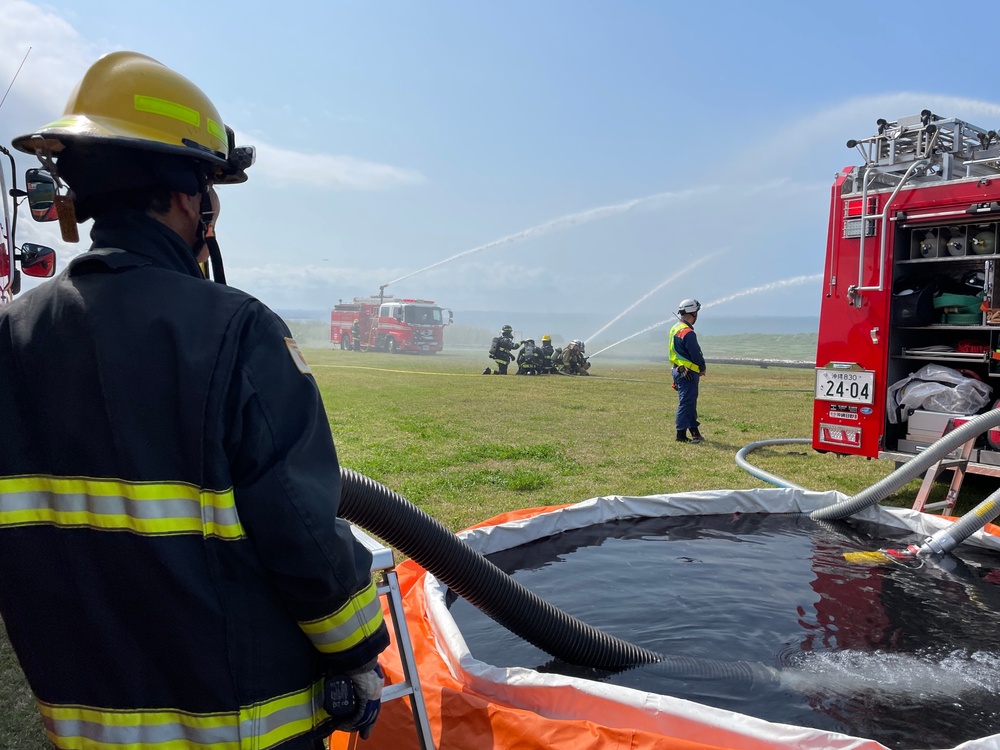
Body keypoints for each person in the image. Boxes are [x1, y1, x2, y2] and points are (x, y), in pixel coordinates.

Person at [0, 51, 389, 750]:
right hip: (239, 727)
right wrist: (357, 651)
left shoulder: (10, 336)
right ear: (189, 197)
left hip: (84, 727)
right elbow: (299, 526)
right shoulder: (236, 330)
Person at [669, 298, 707, 443]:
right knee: (686, 403)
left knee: (689, 402)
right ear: (694, 313)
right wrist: (702, 367)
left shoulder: (675, 328)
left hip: (678, 370)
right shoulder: (687, 332)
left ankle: (695, 432)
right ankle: (680, 435)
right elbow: (695, 353)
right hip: (688, 373)